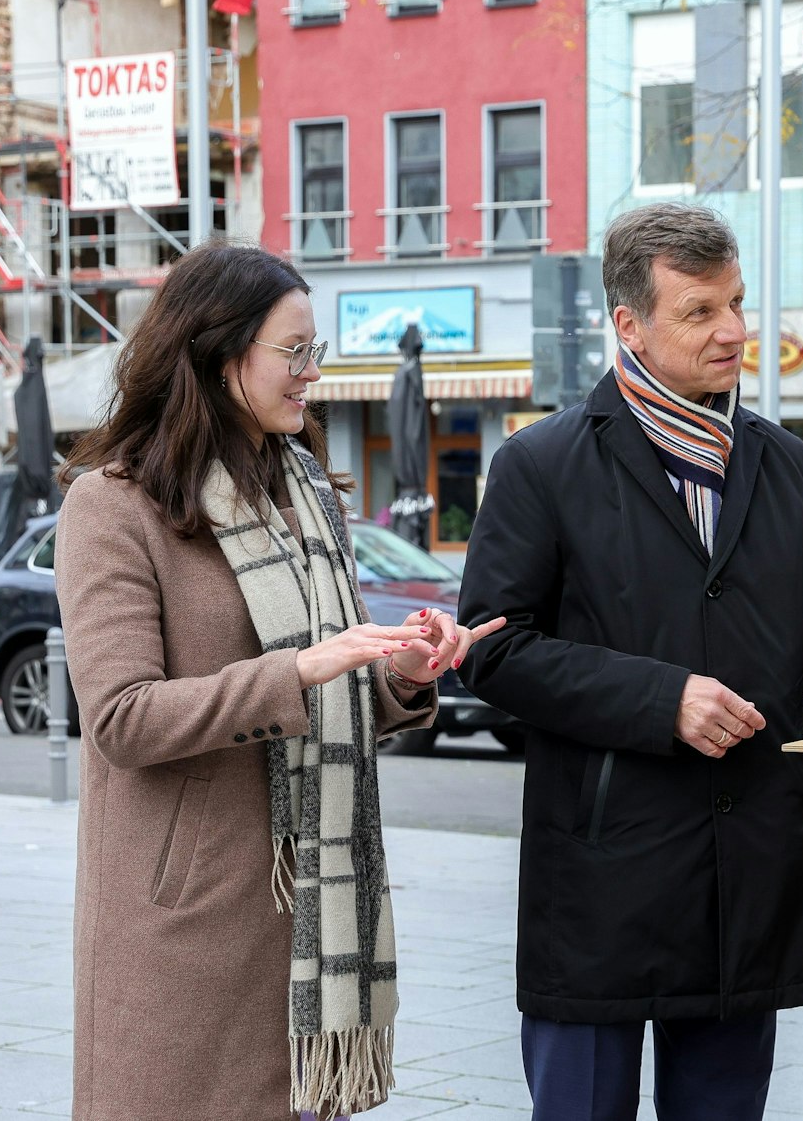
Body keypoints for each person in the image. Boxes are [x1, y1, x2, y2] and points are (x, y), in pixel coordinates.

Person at [456, 202, 803, 1121]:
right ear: (630, 325)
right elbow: (494, 651)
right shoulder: (540, 464)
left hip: (748, 875)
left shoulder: (782, 465)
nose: (734, 330)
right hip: (603, 883)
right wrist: (663, 699)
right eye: (700, 311)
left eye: (735, 303)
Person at [55, 243, 504, 1121]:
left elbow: (334, 693)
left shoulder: (304, 490)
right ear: (220, 356)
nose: (311, 375)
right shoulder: (110, 505)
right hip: (185, 923)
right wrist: (295, 669)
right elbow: (120, 718)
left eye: (316, 352)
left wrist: (403, 673)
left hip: (311, 921)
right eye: (293, 352)